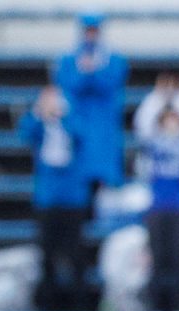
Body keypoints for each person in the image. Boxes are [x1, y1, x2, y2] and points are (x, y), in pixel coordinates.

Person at [19, 86, 92, 311]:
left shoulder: (72, 120)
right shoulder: (40, 126)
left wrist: (63, 116)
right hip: (48, 198)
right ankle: (48, 302)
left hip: (72, 198)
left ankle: (80, 303)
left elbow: (82, 135)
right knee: (47, 253)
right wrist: (40, 114)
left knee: (75, 252)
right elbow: (25, 133)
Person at [51, 13, 129, 192]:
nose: (91, 35)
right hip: (77, 123)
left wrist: (94, 72)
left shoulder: (113, 59)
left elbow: (112, 84)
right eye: (88, 30)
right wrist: (84, 73)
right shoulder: (68, 59)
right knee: (76, 179)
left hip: (104, 126)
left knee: (104, 179)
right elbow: (65, 85)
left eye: (94, 30)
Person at [136, 105, 179, 311]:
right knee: (158, 259)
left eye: (175, 120)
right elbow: (142, 125)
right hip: (158, 208)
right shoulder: (152, 145)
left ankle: (178, 307)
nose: (171, 125)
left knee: (178, 259)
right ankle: (156, 307)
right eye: (167, 120)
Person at [132, 72, 179, 146]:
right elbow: (142, 133)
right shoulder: (152, 101)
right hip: (156, 150)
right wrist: (158, 97)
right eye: (166, 84)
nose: (170, 88)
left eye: (174, 83)